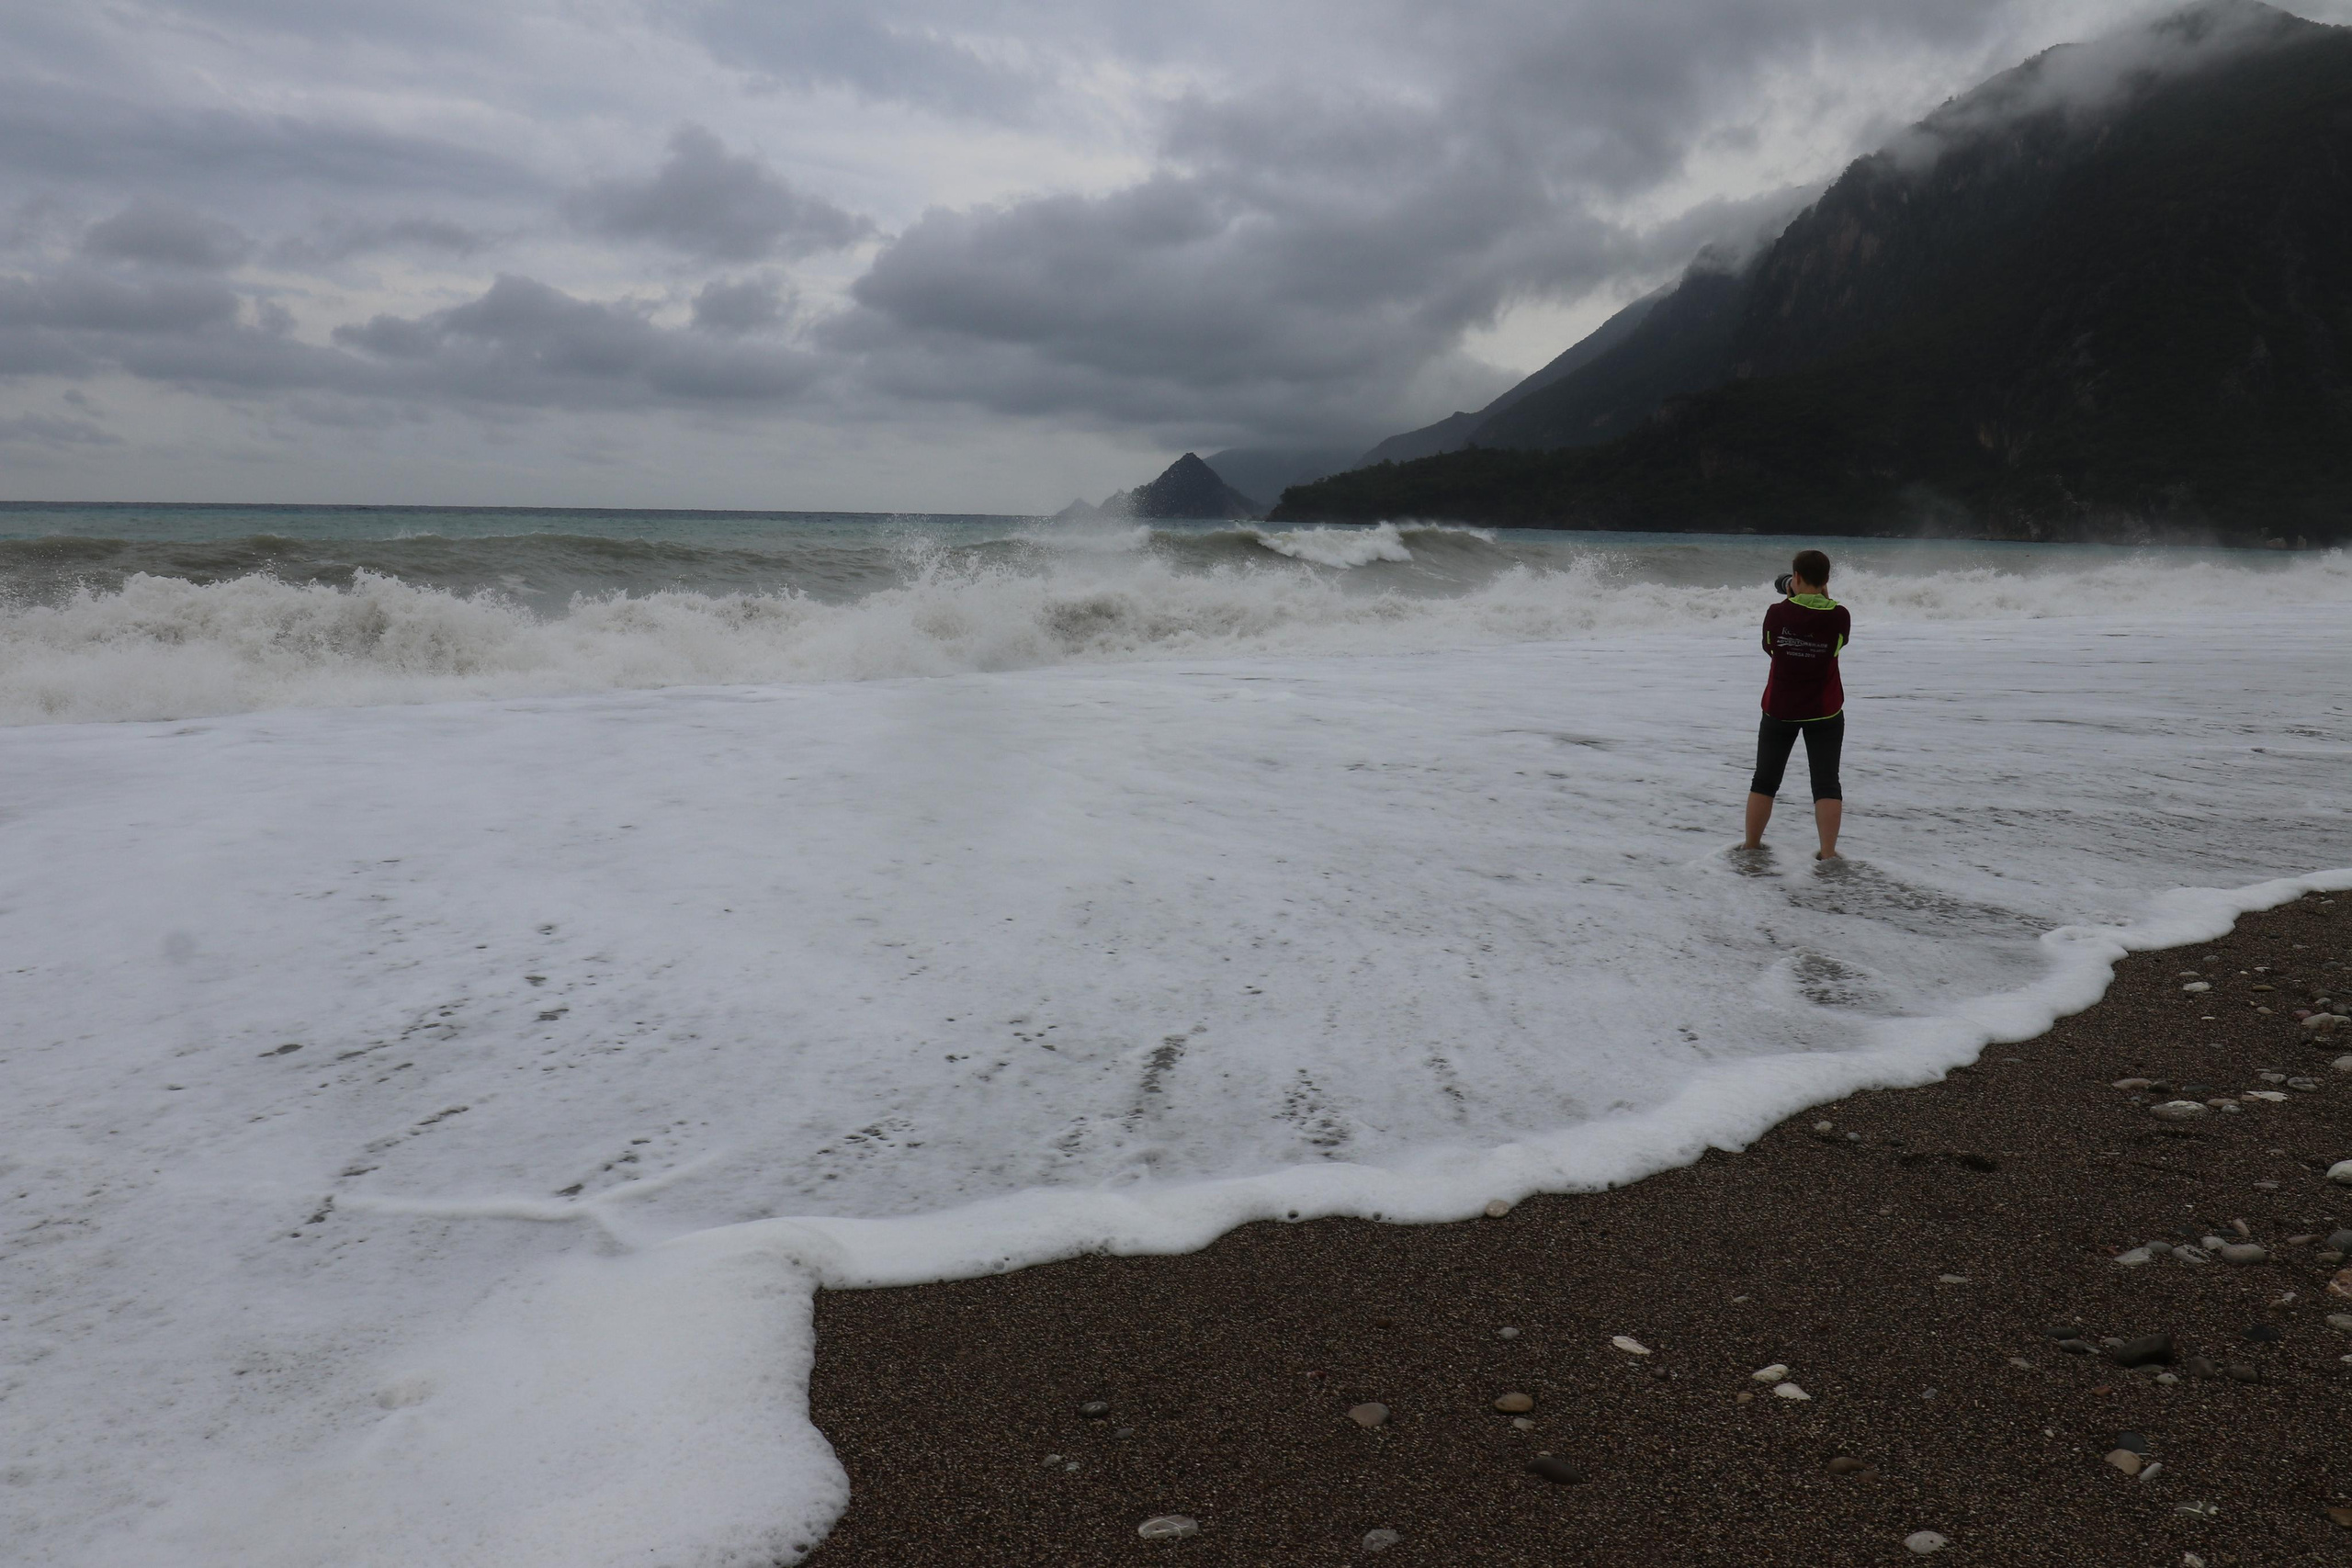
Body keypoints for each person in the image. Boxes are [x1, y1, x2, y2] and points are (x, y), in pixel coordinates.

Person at [1743, 548, 1849, 861]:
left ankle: (1751, 848)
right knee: (1827, 784)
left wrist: (1790, 601)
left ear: (1796, 578)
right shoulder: (1839, 616)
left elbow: (1770, 647)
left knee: (1764, 780)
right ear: (1827, 580)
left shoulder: (1776, 613)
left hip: (1780, 708)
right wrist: (1825, 602)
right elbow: (1837, 645)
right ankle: (1828, 854)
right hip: (1825, 709)